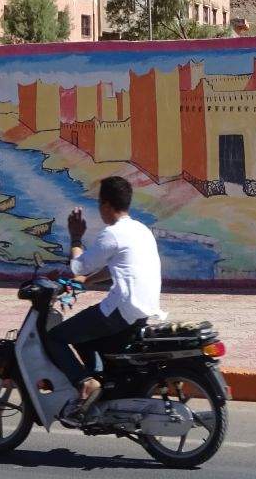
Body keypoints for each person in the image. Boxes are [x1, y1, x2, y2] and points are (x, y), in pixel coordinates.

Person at [45, 175, 165, 420]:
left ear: (107, 205)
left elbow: (79, 265)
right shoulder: (141, 230)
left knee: (55, 337)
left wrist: (76, 236)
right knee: (83, 337)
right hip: (144, 308)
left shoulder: (112, 233)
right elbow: (116, 267)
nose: (99, 209)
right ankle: (99, 388)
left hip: (121, 309)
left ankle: (87, 383)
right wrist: (86, 282)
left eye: (99, 204)